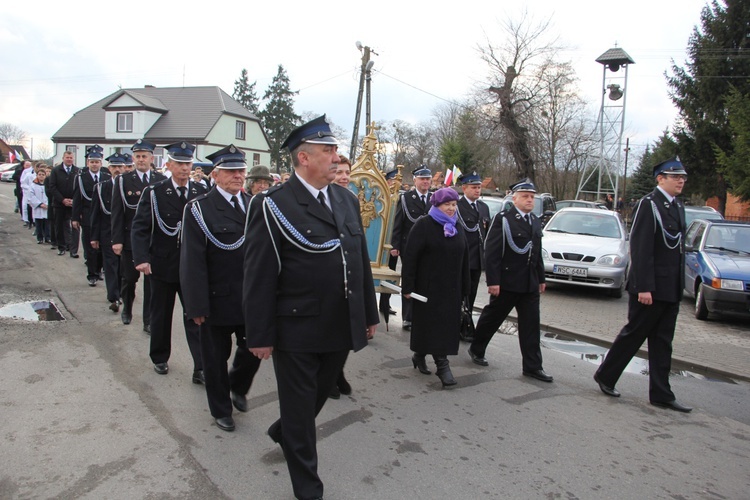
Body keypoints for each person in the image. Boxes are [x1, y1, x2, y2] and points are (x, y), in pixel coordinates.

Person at [243, 115, 378, 500]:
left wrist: (369, 313)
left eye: (336, 149)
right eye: (328, 150)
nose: (337, 157)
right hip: (297, 328)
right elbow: (259, 276)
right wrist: (260, 334)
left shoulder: (346, 199)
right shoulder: (272, 205)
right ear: (303, 158)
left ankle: (285, 431)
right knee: (302, 409)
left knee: (319, 395)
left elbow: (358, 262)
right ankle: (308, 488)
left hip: (339, 324)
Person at [594, 159, 692, 412]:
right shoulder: (649, 205)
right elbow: (640, 247)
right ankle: (606, 375)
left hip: (670, 288)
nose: (680, 181)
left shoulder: (677, 206)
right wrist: (645, 286)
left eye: (682, 177)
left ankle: (661, 393)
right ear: (660, 178)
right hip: (650, 288)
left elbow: (677, 250)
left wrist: (678, 286)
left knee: (662, 342)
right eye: (674, 177)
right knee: (633, 335)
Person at [180, 145, 261, 432]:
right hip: (216, 297)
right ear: (216, 174)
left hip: (250, 296)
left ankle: (238, 384)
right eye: (231, 171)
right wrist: (196, 305)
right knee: (215, 358)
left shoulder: (254, 204)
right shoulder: (199, 209)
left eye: (241, 170)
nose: (239, 176)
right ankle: (220, 409)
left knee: (255, 346)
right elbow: (192, 260)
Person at [131, 142, 205, 382]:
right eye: (180, 163)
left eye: (188, 163)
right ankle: (160, 357)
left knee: (196, 315)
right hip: (162, 264)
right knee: (161, 314)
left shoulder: (200, 192)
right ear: (169, 165)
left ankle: (201, 367)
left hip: (191, 267)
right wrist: (142, 258)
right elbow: (141, 227)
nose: (185, 168)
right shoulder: (155, 192)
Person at [467, 178, 553, 383]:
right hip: (508, 281)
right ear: (514, 198)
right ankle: (477, 348)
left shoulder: (534, 220)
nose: (529, 200)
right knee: (493, 317)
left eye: (532, 197)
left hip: (529, 283)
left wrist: (541, 278)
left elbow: (536, 253)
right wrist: (493, 281)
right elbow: (493, 252)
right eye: (525, 196)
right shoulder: (504, 219)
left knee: (531, 325)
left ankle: (533, 366)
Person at [402, 187, 469, 386]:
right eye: (447, 204)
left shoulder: (457, 225)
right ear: (437, 205)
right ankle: (443, 367)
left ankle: (419, 354)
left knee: (443, 327)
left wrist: (466, 287)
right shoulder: (424, 224)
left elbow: (464, 257)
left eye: (454, 204)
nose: (451, 208)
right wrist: (407, 287)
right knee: (433, 325)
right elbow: (411, 257)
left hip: (451, 289)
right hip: (428, 288)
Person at [111, 139, 166, 329]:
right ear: (133, 158)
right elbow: (117, 213)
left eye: (144, 156)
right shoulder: (123, 180)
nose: (141, 160)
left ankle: (148, 321)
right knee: (129, 279)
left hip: (153, 240)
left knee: (152, 283)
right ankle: (127, 307)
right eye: (138, 156)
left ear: (151, 158)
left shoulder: (160, 180)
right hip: (130, 239)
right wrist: (116, 240)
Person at [390, 166, 432, 330]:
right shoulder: (406, 198)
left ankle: (421, 314)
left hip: (428, 247)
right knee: (409, 279)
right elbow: (398, 222)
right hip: (408, 246)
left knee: (425, 279)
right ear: (415, 180)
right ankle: (408, 317)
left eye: (428, 179)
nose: (425, 182)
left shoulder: (434, 199)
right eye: (422, 179)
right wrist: (395, 245)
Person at [456, 172, 491, 333]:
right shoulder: (457, 206)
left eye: (479, 187)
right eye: (474, 187)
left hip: (477, 258)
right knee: (459, 292)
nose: (477, 190)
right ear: (464, 188)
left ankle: (466, 321)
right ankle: (456, 322)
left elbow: (486, 234)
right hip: (462, 258)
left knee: (472, 292)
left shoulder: (483, 207)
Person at [91, 154, 125, 313]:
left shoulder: (128, 186)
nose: (117, 170)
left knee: (123, 267)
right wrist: (94, 237)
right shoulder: (101, 187)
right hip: (107, 233)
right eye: (114, 167)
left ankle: (122, 292)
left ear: (124, 168)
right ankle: (114, 295)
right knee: (110, 265)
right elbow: (96, 214)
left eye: (120, 167)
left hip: (125, 234)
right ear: (109, 169)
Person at [73, 145, 110, 287]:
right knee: (90, 247)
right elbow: (77, 198)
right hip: (88, 217)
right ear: (88, 163)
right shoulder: (81, 178)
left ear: (101, 163)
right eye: (92, 162)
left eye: (97, 162)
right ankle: (92, 274)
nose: (94, 164)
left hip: (103, 217)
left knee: (102, 246)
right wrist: (75, 218)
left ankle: (99, 270)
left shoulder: (106, 177)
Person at [48, 151, 81, 257]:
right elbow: (52, 187)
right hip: (59, 204)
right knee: (60, 226)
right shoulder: (56, 171)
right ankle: (61, 247)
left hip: (74, 204)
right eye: (67, 157)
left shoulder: (77, 171)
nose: (69, 159)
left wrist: (73, 200)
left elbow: (80, 187)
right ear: (63, 158)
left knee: (75, 226)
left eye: (71, 158)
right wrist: (62, 200)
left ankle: (73, 250)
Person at [28, 167, 50, 244]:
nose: (41, 176)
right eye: (39, 174)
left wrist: (47, 204)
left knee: (47, 224)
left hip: (47, 207)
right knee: (39, 224)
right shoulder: (33, 185)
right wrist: (40, 204)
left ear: (45, 176)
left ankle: (48, 237)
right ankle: (39, 238)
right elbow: (31, 196)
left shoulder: (48, 185)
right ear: (37, 175)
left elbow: (50, 195)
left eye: (43, 174)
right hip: (38, 207)